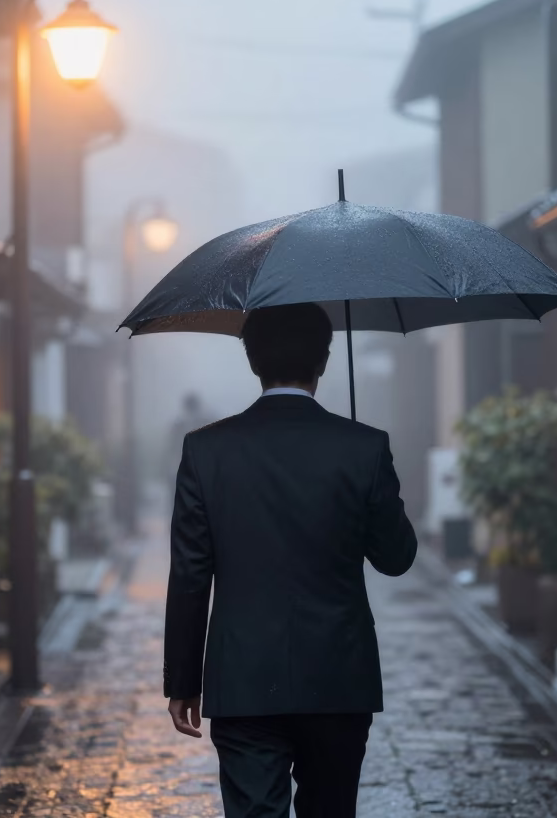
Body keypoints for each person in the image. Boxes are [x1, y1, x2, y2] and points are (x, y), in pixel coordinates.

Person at [163, 302, 418, 818]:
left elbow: (190, 575)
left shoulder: (206, 451)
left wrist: (184, 680)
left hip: (243, 680)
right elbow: (396, 558)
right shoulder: (364, 447)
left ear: (252, 360)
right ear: (324, 360)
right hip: (339, 676)